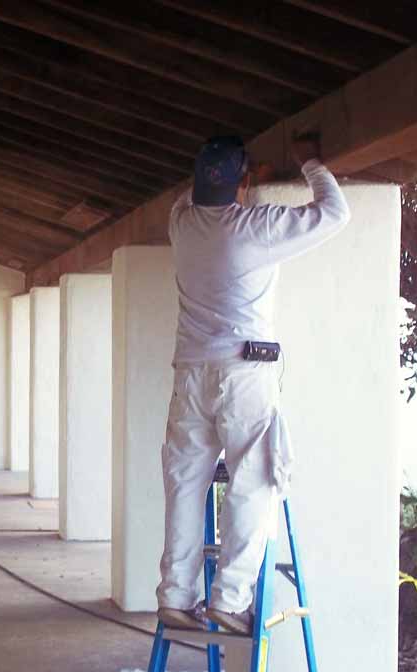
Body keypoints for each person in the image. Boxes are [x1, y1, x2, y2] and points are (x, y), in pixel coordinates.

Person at [158, 134, 351, 634]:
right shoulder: (255, 226)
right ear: (243, 183)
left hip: (191, 374)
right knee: (252, 481)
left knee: (185, 485)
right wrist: (309, 159)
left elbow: (193, 195)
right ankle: (230, 597)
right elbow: (335, 213)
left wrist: (242, 180)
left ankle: (176, 596)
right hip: (244, 374)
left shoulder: (181, 223)